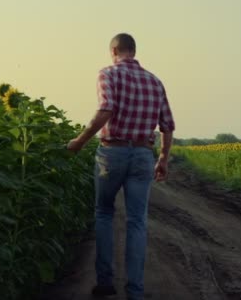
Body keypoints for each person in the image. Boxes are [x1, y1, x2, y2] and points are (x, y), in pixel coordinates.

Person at [67, 33, 175, 300]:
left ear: (114, 51)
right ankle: (135, 292)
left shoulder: (108, 74)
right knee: (137, 221)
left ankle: (105, 283)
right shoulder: (155, 81)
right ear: (133, 51)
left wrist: (80, 141)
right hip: (142, 154)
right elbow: (167, 125)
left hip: (112, 153)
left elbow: (106, 109)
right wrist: (163, 158)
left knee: (104, 213)